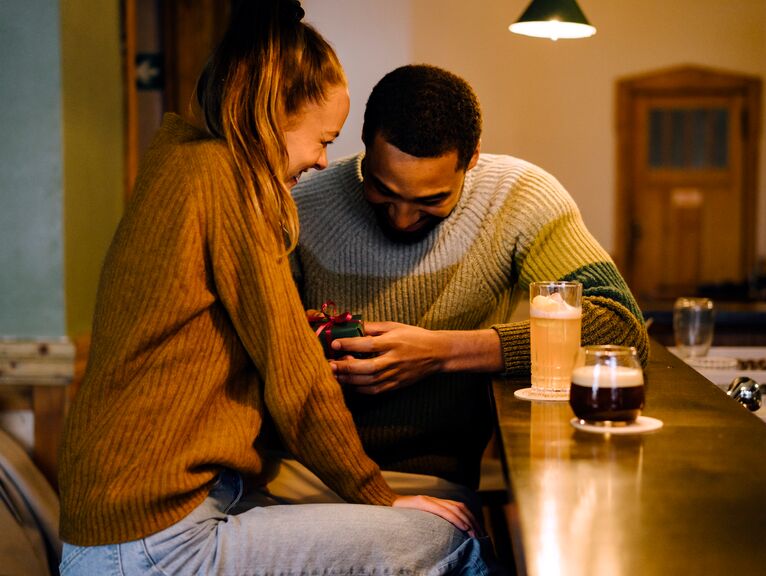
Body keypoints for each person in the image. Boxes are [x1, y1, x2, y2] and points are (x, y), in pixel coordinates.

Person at [57, 4, 497, 575]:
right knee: (449, 539)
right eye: (322, 139)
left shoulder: (182, 160)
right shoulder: (230, 182)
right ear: (269, 113)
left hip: (139, 519)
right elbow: (295, 379)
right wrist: (376, 495)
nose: (321, 160)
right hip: (151, 542)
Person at [268, 63, 649, 503]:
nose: (403, 217)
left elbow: (622, 330)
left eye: (431, 200)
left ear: (472, 160)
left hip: (436, 484)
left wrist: (443, 353)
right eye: (382, 189)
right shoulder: (298, 205)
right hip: (299, 476)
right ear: (365, 145)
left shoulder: (519, 198)